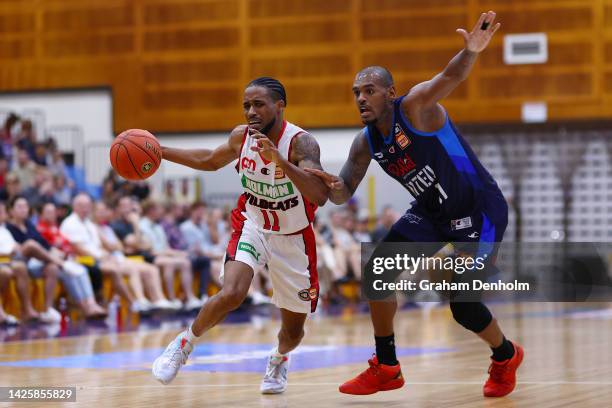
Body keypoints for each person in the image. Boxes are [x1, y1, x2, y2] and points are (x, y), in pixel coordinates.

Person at [306, 11, 523, 398]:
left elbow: (450, 77)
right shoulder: (364, 142)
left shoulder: (417, 107)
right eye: (356, 92)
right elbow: (340, 195)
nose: (361, 98)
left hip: (479, 211)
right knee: (377, 268)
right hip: (431, 213)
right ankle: (387, 366)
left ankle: (505, 356)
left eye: (369, 90)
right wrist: (314, 178)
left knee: (463, 306)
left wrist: (471, 51)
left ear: (390, 93)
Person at [152, 77, 328, 394]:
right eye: (246, 105)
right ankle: (183, 344)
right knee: (232, 293)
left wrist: (282, 163)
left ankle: (279, 358)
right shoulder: (241, 137)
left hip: (293, 237)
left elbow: (320, 195)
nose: (250, 112)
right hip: (253, 223)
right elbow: (208, 160)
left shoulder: (301, 143)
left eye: (258, 104)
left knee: (293, 333)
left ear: (279, 106)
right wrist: (160, 151)